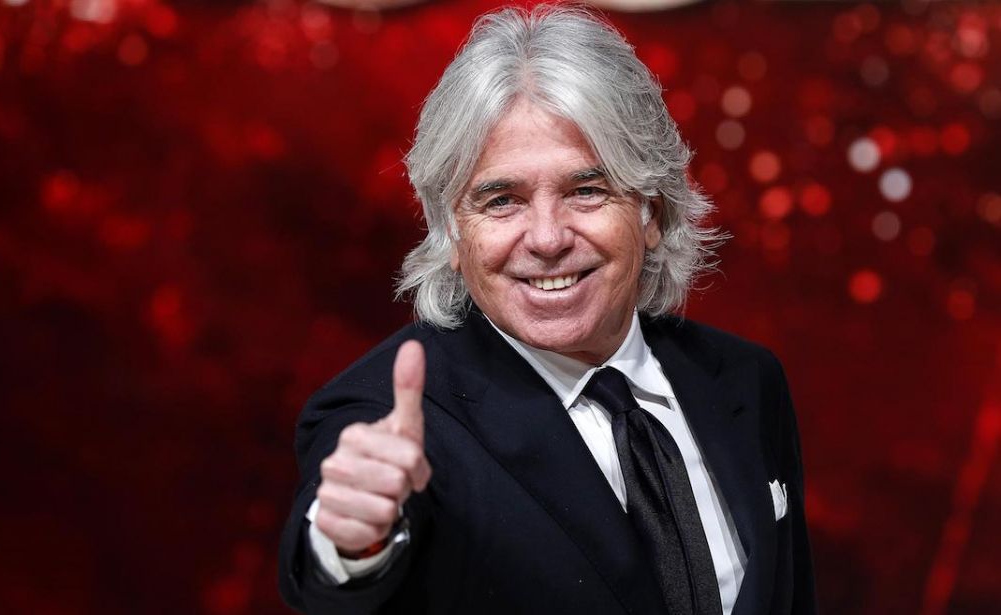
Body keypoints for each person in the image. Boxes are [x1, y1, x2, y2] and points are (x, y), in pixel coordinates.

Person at [278, 5, 816, 614]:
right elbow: (333, 580)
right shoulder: (385, 415)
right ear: (452, 233)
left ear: (653, 211)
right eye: (501, 200)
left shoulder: (748, 379)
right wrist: (353, 540)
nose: (547, 238)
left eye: (586, 191)